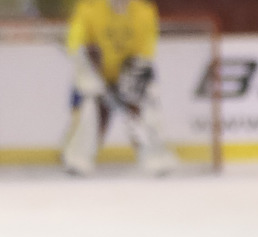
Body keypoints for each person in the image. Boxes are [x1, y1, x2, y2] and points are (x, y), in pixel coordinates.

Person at [62, 0, 174, 177]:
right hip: (97, 75)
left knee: (145, 108)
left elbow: (146, 52)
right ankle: (77, 159)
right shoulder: (88, 8)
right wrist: (90, 75)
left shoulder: (145, 12)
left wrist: (131, 82)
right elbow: (76, 43)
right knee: (89, 109)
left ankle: (155, 155)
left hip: (130, 73)